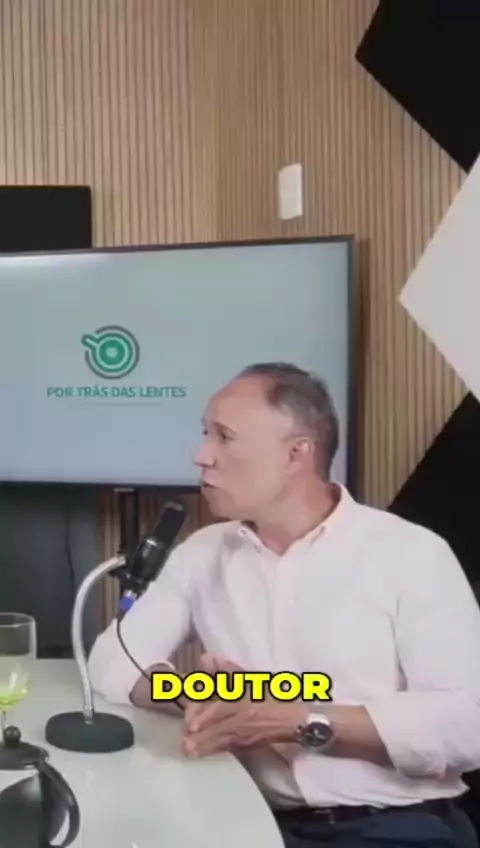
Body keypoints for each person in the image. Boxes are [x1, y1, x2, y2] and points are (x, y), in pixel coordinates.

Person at [88, 362, 480, 848]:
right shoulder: (203, 552)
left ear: (296, 454)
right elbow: (112, 658)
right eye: (205, 434)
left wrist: (299, 721)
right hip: (248, 822)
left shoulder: (412, 554)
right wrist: (198, 696)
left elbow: (467, 724)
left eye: (224, 437)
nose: (201, 456)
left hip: (397, 827)